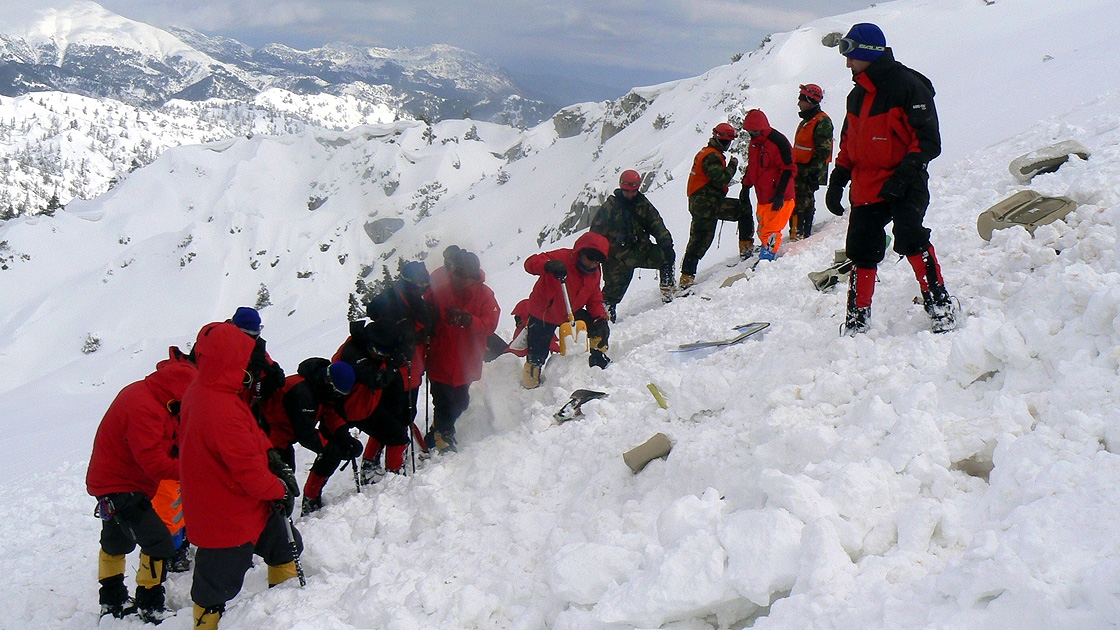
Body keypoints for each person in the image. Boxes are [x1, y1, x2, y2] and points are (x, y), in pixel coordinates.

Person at [826, 22, 957, 334]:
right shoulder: (856, 96)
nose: (847, 62)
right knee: (861, 248)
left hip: (905, 179)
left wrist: (904, 177)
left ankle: (940, 305)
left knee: (911, 236)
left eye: (849, 53)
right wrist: (839, 177)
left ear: (867, 52)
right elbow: (850, 143)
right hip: (868, 182)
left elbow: (928, 141)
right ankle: (858, 318)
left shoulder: (908, 86)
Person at [179, 322, 303, 629]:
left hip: (244, 505)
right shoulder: (220, 406)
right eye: (244, 356)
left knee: (285, 546)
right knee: (213, 587)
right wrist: (280, 489)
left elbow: (249, 436)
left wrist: (271, 456)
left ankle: (286, 610)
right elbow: (248, 473)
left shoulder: (209, 388)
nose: (250, 364)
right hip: (225, 517)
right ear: (230, 358)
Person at [85, 346, 197, 622]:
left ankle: (111, 602)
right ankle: (150, 604)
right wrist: (195, 471)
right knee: (158, 542)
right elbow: (154, 462)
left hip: (113, 480)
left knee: (115, 542)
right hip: (121, 484)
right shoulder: (145, 407)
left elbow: (169, 440)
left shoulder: (154, 396)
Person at [301, 320, 405, 513]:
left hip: (365, 407)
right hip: (339, 411)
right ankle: (310, 497)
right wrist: (391, 366)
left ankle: (394, 479)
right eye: (382, 353)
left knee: (397, 435)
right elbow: (375, 380)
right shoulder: (353, 354)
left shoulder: (373, 347)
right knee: (331, 454)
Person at [423, 246, 501, 451]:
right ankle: (444, 435)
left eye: (463, 276)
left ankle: (438, 429)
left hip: (467, 362)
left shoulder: (484, 295)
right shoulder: (440, 290)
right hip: (441, 358)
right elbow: (424, 313)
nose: (458, 279)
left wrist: (468, 321)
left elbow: (490, 325)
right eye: (456, 273)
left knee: (461, 402)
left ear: (474, 277)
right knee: (442, 401)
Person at [520, 231, 611, 389]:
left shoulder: (594, 273)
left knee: (598, 329)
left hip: (571, 311)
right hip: (544, 312)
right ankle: (531, 382)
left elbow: (594, 297)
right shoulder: (561, 258)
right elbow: (530, 263)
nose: (592, 264)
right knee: (537, 353)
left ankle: (596, 357)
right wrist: (547, 266)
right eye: (590, 258)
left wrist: (600, 318)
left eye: (597, 261)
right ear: (580, 252)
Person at [590, 169, 676, 319]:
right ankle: (604, 321)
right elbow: (595, 235)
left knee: (666, 258)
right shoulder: (609, 208)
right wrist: (595, 257)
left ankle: (668, 292)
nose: (630, 194)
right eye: (627, 191)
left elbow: (655, 223)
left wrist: (666, 243)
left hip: (640, 250)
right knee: (611, 295)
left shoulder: (642, 204)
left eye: (633, 191)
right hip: (616, 259)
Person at [680, 123, 753, 291]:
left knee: (699, 240)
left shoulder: (706, 153)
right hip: (707, 203)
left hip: (702, 203)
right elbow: (721, 179)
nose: (728, 145)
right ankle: (746, 248)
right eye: (727, 142)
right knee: (743, 210)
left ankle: (686, 277)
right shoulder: (712, 157)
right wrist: (733, 166)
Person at [259, 358, 357, 470]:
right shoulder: (302, 392)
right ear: (329, 383)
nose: (337, 396)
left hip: (283, 437)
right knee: (281, 480)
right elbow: (305, 433)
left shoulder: (320, 387)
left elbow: (330, 412)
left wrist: (343, 434)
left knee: (287, 476)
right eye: (338, 393)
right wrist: (331, 450)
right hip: (270, 438)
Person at [741, 109, 797, 260]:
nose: (752, 134)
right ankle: (767, 253)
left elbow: (789, 169)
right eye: (750, 131)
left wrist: (780, 193)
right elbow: (752, 166)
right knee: (763, 229)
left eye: (755, 131)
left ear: (762, 128)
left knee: (771, 230)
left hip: (781, 197)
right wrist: (746, 186)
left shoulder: (778, 142)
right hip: (763, 196)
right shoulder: (754, 144)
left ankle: (767, 258)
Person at [790, 84, 834, 240]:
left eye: (801, 100)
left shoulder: (821, 121)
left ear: (810, 100)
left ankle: (800, 234)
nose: (799, 103)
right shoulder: (807, 121)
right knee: (800, 199)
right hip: (801, 168)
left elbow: (822, 150)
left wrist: (814, 173)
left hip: (809, 170)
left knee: (802, 201)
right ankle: (798, 232)